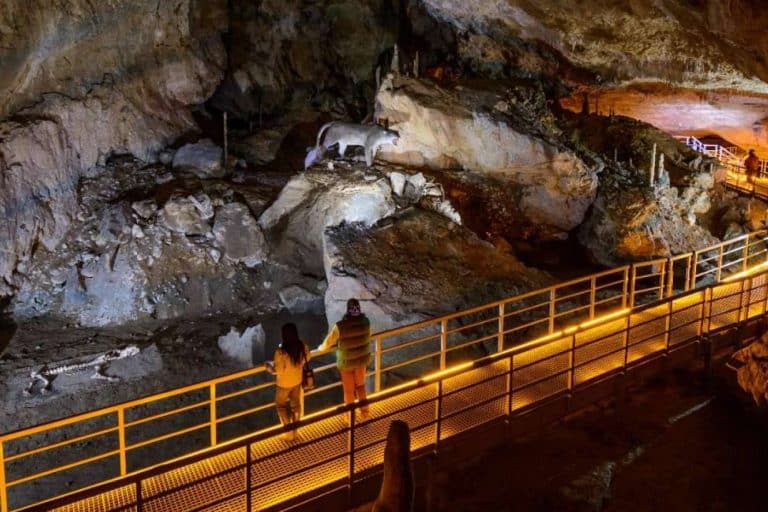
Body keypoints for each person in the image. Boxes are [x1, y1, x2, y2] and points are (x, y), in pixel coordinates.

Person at [318, 298, 372, 419]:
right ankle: (365, 413)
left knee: (348, 391)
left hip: (346, 362)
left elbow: (328, 343)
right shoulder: (366, 322)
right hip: (360, 361)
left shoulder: (340, 326)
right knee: (361, 386)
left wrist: (320, 348)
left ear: (348, 310)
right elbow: (368, 335)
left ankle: (350, 416)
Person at [267, 323, 310, 441]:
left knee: (281, 405)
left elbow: (278, 369)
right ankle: (295, 431)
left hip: (284, 384)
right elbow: (307, 358)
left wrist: (268, 366)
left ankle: (288, 432)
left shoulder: (281, 352)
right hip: (297, 381)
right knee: (296, 405)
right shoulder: (302, 346)